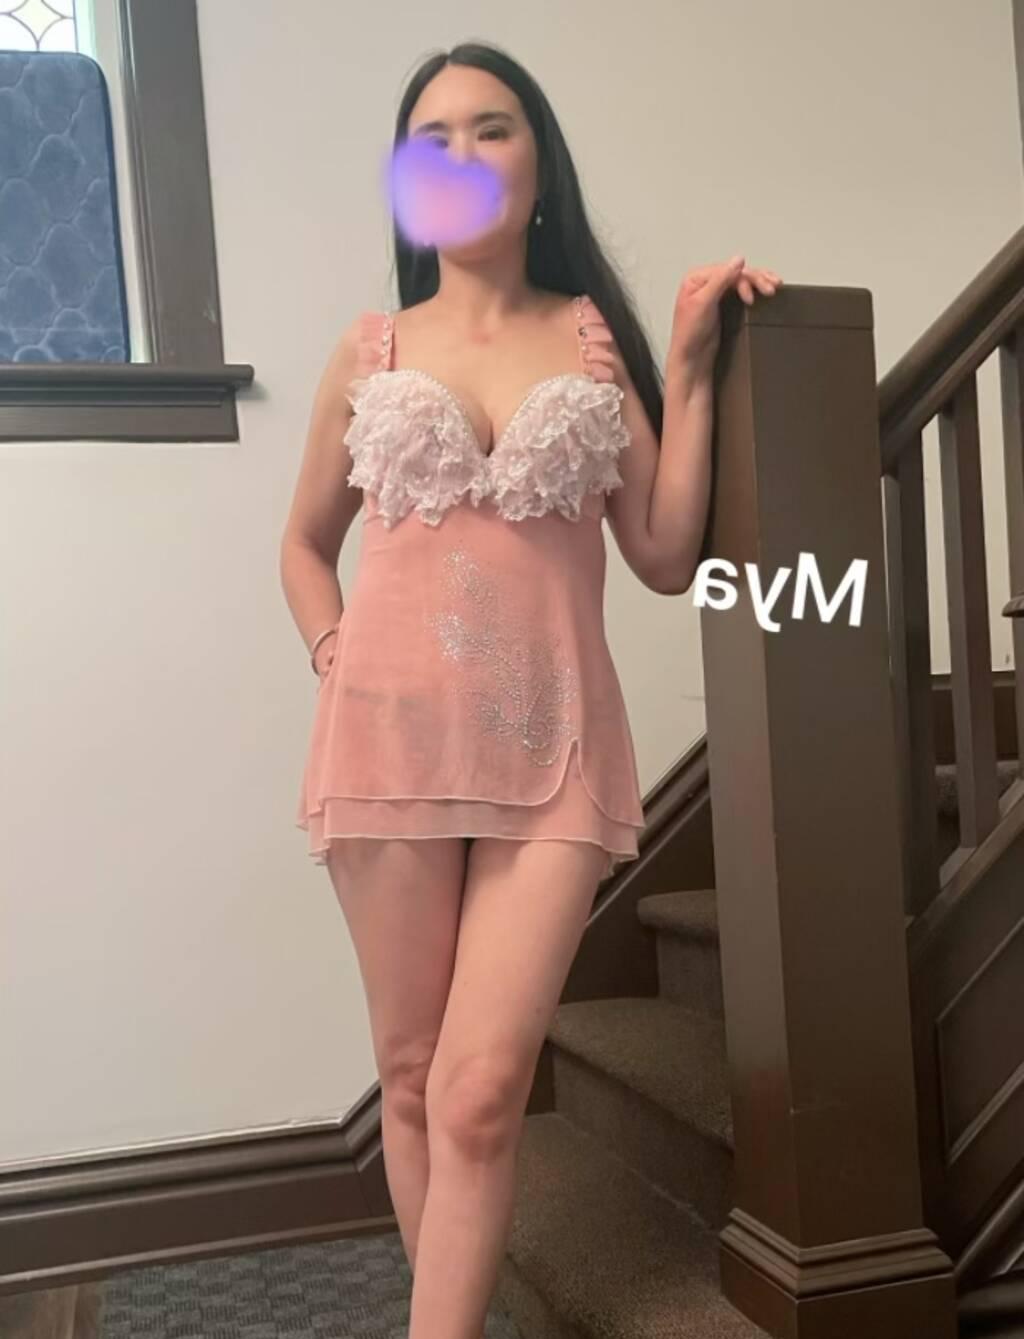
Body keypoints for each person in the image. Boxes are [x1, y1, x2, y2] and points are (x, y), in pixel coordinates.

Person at [279, 40, 781, 1339]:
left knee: (482, 1087)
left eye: (491, 127)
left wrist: (691, 365)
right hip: (385, 746)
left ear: (540, 161)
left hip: (555, 749)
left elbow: (663, 555)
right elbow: (303, 548)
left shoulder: (594, 341)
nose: (461, 155)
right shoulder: (370, 349)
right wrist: (336, 661)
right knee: (410, 1079)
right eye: (431, 137)